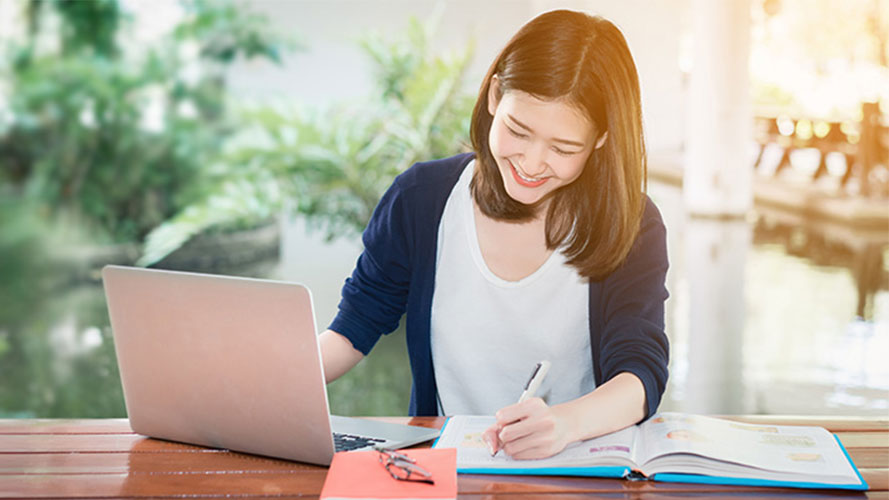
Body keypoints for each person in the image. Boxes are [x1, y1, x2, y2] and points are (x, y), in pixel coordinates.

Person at [319, 9, 669, 460]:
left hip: (575, 471)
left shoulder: (632, 222)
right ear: (494, 96)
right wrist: (267, 379)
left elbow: (639, 373)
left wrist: (565, 423)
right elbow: (353, 329)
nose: (531, 163)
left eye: (563, 148)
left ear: (601, 139)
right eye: (517, 131)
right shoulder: (422, 199)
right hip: (441, 470)